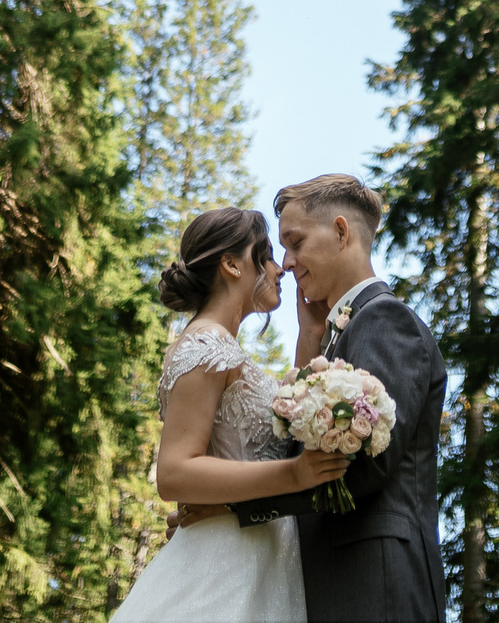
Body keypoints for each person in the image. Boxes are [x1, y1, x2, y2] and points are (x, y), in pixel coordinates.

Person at [224, 174, 449, 623]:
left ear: (342, 232)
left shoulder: (384, 319)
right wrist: (311, 336)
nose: (285, 263)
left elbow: (364, 465)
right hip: (337, 580)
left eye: (296, 242)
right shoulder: (341, 331)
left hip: (375, 580)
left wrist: (228, 510)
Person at [112, 207, 347, 623]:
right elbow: (175, 472)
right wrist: (295, 474)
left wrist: (310, 335)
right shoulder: (206, 346)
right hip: (222, 568)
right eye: (268, 255)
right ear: (232, 264)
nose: (281, 269)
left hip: (262, 564)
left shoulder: (225, 350)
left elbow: (263, 441)